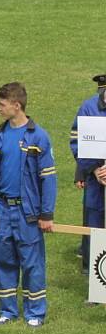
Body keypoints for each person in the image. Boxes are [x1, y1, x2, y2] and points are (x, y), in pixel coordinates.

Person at [0, 83, 55, 328]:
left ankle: (35, 313)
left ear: (17, 105)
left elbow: (48, 179)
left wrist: (46, 213)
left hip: (28, 213)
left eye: (2, 104)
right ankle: (8, 311)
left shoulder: (38, 137)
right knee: (4, 261)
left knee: (32, 263)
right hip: (2, 210)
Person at [69, 81, 106, 274]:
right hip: (95, 181)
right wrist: (94, 170)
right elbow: (76, 141)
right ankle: (93, 274)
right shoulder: (88, 108)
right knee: (94, 223)